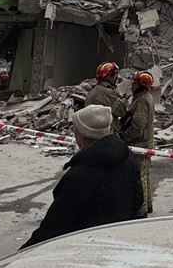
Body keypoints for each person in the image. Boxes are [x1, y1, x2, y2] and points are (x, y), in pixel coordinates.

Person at [21, 104, 142, 248]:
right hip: (118, 239)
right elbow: (137, 198)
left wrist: (28, 248)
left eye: (75, 130)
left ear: (83, 135)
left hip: (85, 245)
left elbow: (58, 221)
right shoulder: (128, 158)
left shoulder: (80, 174)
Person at [119, 70, 156, 217]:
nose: (132, 85)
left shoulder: (141, 101)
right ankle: (147, 204)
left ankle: (141, 208)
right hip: (144, 144)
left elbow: (137, 126)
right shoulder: (144, 97)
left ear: (141, 85)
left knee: (140, 178)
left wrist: (123, 137)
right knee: (145, 176)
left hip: (140, 145)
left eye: (135, 83)